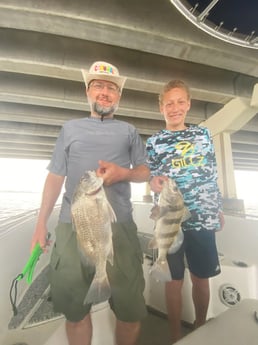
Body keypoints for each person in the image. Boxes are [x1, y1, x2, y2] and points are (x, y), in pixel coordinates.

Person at [31, 61, 150, 345]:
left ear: (118, 97)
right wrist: (40, 226)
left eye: (111, 88)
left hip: (119, 228)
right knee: (74, 313)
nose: (105, 92)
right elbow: (55, 177)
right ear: (88, 91)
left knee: (130, 312)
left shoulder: (129, 131)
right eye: (98, 85)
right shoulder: (69, 129)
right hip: (72, 228)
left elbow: (145, 171)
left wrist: (124, 173)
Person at [146, 79, 224, 344]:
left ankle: (200, 327)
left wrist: (218, 208)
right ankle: (175, 335)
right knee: (173, 281)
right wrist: (151, 182)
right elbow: (150, 177)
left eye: (180, 102)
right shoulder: (154, 142)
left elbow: (212, 174)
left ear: (189, 104)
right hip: (169, 219)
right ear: (161, 108)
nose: (175, 107)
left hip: (202, 216)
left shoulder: (202, 135)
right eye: (169, 103)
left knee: (201, 278)